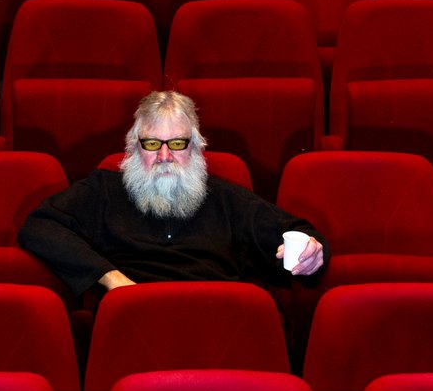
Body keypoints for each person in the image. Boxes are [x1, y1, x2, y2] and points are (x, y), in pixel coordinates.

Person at [18, 89, 326, 300]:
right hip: (133, 314)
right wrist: (112, 279)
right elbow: (40, 226)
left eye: (177, 144)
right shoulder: (104, 191)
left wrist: (312, 252)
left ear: (196, 147)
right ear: (133, 147)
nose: (164, 156)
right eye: (152, 144)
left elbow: (299, 234)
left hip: (214, 321)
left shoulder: (225, 198)